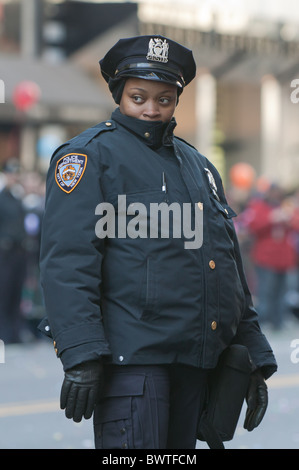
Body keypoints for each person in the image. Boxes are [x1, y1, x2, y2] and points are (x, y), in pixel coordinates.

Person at [39, 35, 277, 449]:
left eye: (164, 99)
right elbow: (68, 262)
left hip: (196, 362)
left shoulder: (199, 166)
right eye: (139, 97)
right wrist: (80, 353)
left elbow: (225, 267)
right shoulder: (89, 157)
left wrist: (252, 354)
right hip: (133, 363)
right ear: (118, 94)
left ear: (178, 99)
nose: (152, 109)